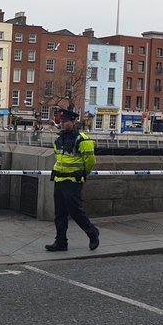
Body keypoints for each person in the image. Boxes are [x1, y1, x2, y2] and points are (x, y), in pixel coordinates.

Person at [46, 108, 100, 252]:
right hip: (59, 179)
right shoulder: (60, 139)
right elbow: (58, 158)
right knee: (60, 213)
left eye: (64, 122)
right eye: (60, 122)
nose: (61, 124)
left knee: (75, 211)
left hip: (73, 181)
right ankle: (61, 242)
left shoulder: (82, 140)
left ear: (73, 122)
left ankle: (92, 233)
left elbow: (90, 161)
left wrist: (82, 175)